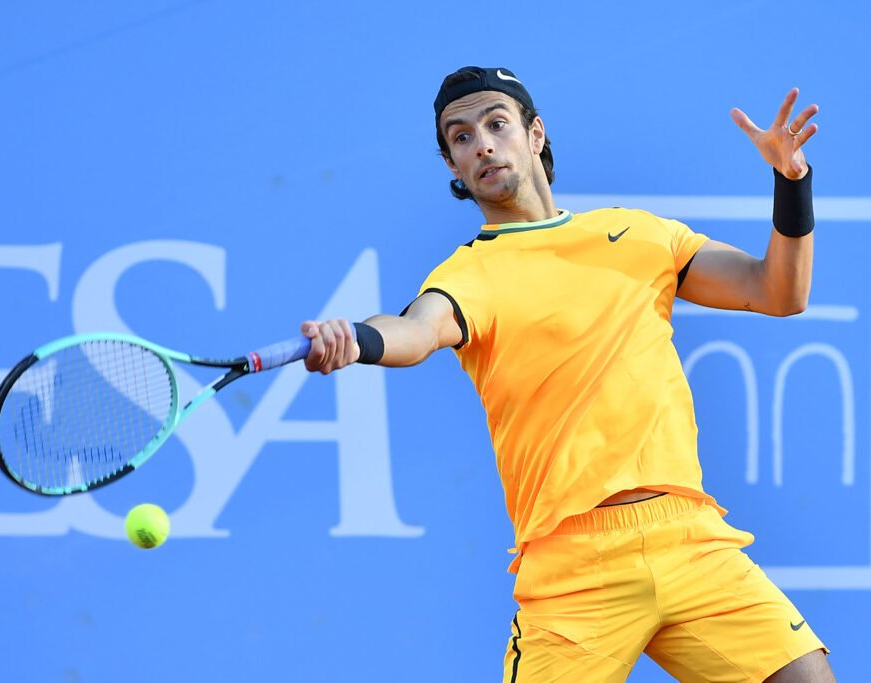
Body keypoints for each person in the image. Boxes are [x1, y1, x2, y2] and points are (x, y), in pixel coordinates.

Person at [302, 66, 835, 682]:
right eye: (461, 137)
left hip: (690, 537)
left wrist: (791, 180)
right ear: (453, 165)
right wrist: (358, 341)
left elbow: (779, 291)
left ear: (535, 134)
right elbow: (416, 331)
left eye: (496, 125)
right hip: (572, 568)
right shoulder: (467, 275)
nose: (482, 144)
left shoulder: (640, 235)